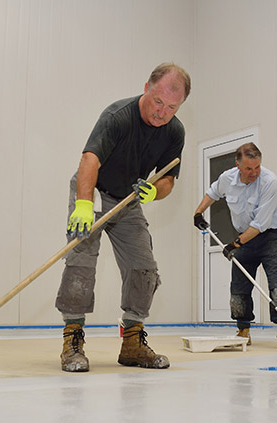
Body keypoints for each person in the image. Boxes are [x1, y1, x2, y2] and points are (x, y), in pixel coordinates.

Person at [55, 63, 191, 372]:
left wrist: (154, 193)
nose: (162, 112)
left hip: (129, 198)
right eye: (158, 102)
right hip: (94, 189)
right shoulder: (118, 116)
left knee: (144, 267)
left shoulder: (175, 132)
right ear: (146, 88)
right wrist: (84, 205)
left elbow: (168, 178)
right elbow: (90, 159)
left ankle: (132, 342)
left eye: (172, 107)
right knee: (82, 261)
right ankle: (72, 340)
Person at [193, 142, 277, 350]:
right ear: (238, 165)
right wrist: (198, 213)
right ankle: (243, 331)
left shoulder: (270, 182)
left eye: (257, 167)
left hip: (271, 237)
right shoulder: (227, 179)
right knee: (239, 287)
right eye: (249, 168)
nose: (254, 172)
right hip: (244, 237)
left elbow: (260, 224)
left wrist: (235, 244)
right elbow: (212, 192)